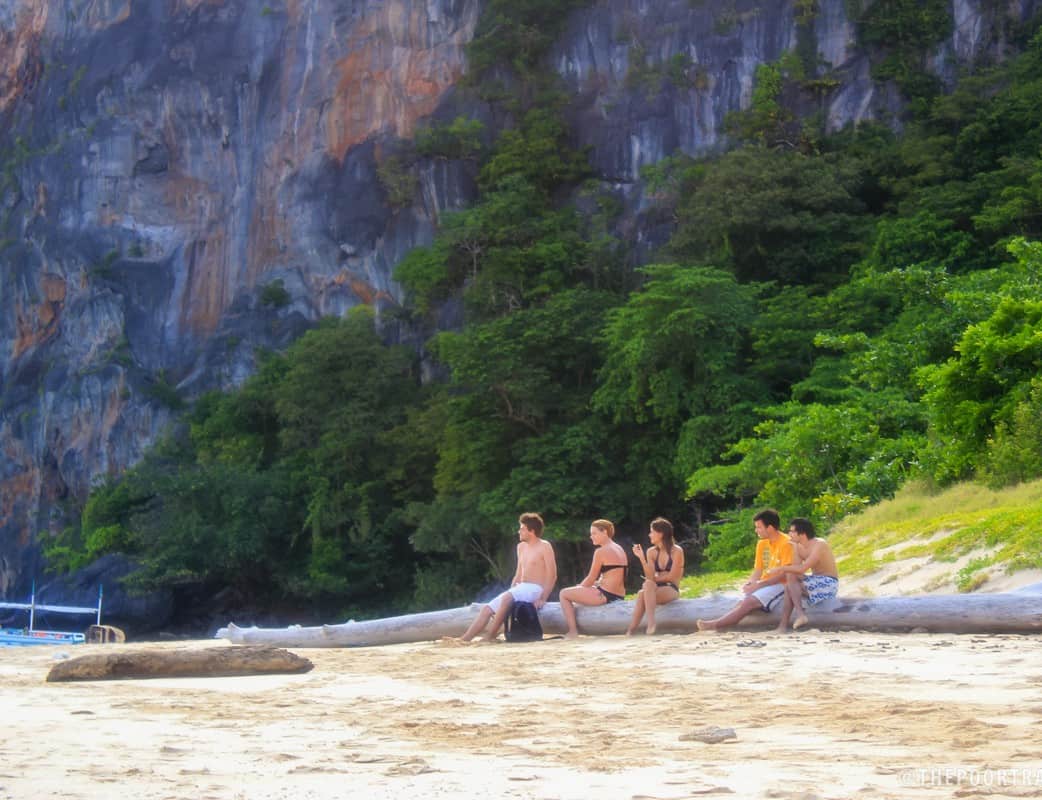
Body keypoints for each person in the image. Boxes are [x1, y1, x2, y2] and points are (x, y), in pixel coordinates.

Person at [459, 512, 557, 642]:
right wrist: (510, 590)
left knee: (506, 598)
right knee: (487, 609)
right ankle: (465, 639)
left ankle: (490, 636)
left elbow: (552, 575)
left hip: (535, 588)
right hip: (521, 588)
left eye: (522, 529)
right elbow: (518, 573)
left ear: (532, 531)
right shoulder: (521, 547)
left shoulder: (544, 546)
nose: (519, 531)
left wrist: (543, 598)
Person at [695, 508, 794, 632]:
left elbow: (786, 574)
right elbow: (758, 570)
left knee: (749, 602)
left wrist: (760, 585)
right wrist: (751, 583)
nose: (756, 530)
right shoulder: (762, 544)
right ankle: (725, 624)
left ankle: (714, 625)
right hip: (765, 583)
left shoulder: (787, 543)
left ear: (769, 528)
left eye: (758, 527)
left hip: (782, 584)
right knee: (741, 602)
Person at [558, 519, 628, 640]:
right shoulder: (619, 548)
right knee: (580, 589)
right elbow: (617, 574)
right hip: (619, 595)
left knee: (564, 593)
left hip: (605, 595)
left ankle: (573, 631)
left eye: (594, 533)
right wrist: (593, 585)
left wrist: (579, 588)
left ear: (604, 532)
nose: (591, 537)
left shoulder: (600, 551)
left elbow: (591, 578)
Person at [774, 517, 839, 632]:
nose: (789, 534)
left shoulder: (819, 544)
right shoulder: (799, 546)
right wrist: (795, 548)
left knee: (789, 583)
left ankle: (791, 620)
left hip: (829, 582)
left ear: (802, 533)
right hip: (814, 580)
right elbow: (796, 569)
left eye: (792, 531)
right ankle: (789, 622)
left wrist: (781, 568)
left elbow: (802, 568)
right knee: (790, 578)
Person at [627, 517, 684, 635]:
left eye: (652, 532)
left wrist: (655, 579)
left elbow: (672, 577)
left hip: (671, 589)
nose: (649, 535)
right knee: (645, 587)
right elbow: (649, 577)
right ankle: (632, 630)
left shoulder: (676, 551)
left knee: (643, 592)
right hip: (654, 589)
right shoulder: (651, 552)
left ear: (661, 533)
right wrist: (642, 558)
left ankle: (647, 624)